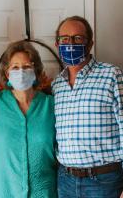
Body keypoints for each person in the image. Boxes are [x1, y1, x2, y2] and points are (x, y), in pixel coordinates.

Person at [52, 15, 123, 198]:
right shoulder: (56, 85)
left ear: (90, 43)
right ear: (57, 44)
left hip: (104, 181)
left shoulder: (111, 75)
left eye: (78, 38)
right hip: (65, 180)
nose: (70, 43)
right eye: (65, 39)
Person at [0, 40, 57, 198]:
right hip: (0, 191)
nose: (21, 72)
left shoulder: (50, 105)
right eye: (15, 67)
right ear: (8, 74)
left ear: (36, 72)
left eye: (27, 66)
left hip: (43, 192)